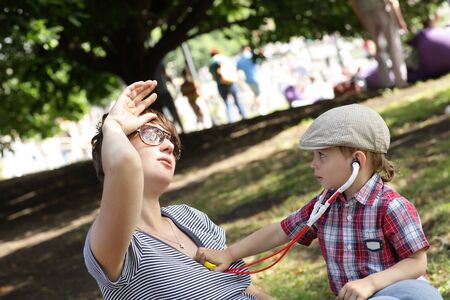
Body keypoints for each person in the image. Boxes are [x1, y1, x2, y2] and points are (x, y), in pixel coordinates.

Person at [196, 104, 443, 300]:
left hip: (405, 293)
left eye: (322, 156)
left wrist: (370, 284)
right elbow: (281, 231)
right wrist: (230, 253)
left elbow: (416, 262)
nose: (313, 164)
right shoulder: (324, 205)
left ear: (357, 160)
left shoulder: (391, 206)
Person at [83, 80, 272, 299]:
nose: (169, 146)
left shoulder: (190, 217)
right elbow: (125, 164)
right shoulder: (120, 247)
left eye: (171, 140)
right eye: (152, 135)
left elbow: (243, 287)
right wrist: (113, 125)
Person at [350, 0, 409, 88]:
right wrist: (400, 19)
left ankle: (386, 83)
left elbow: (353, 2)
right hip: (383, 9)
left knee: (379, 49)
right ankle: (401, 81)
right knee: (394, 46)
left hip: (366, 13)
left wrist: (361, 17)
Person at [209, 48, 246, 123]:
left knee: (227, 103)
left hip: (220, 85)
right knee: (237, 100)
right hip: (229, 82)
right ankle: (243, 115)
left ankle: (231, 120)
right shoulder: (222, 58)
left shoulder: (210, 63)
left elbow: (212, 77)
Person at [237, 46, 261, 112]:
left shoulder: (239, 60)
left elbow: (238, 71)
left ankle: (257, 107)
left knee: (255, 94)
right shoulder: (250, 56)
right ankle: (259, 108)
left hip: (248, 80)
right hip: (255, 78)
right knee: (258, 94)